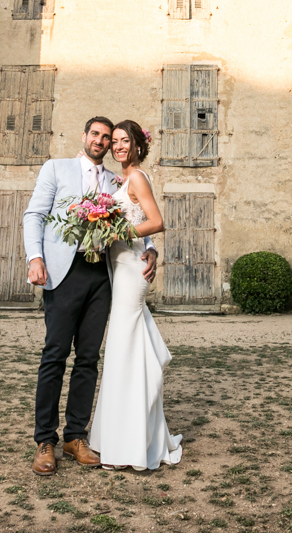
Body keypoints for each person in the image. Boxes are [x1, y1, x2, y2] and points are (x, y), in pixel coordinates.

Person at [23, 117, 158, 476]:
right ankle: (45, 441)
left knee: (88, 358)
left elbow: (138, 212)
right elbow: (34, 214)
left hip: (102, 275)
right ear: (84, 136)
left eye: (107, 137)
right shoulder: (56, 169)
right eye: (96, 135)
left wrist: (152, 248)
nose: (101, 141)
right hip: (63, 272)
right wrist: (34, 258)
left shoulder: (117, 180)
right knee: (54, 355)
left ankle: (75, 436)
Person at [89, 119, 183, 470]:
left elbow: (156, 221)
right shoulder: (122, 180)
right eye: (114, 141)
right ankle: (126, 434)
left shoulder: (138, 177)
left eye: (124, 141)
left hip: (131, 271)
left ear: (137, 145)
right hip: (123, 268)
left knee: (123, 350)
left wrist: (114, 232)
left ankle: (129, 443)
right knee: (124, 351)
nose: (117, 146)